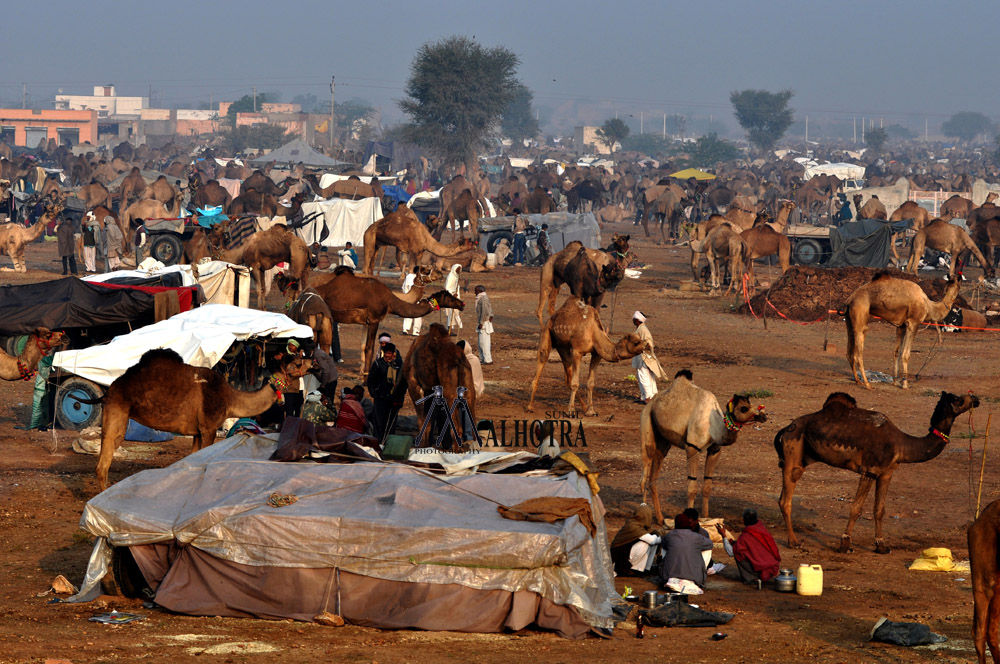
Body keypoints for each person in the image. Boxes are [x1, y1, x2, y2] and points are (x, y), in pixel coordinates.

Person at [716, 508, 781, 587]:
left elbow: (731, 552)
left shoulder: (745, 537)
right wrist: (734, 543)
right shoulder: (762, 529)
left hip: (762, 569)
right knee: (739, 549)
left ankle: (751, 579)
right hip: (773, 567)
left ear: (743, 521)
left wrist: (724, 536)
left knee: (738, 554)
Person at [659, 512, 714, 595]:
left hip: (669, 575)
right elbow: (710, 544)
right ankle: (699, 572)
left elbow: (664, 544)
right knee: (707, 549)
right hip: (694, 576)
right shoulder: (697, 537)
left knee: (666, 548)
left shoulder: (669, 536)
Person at [609, 504, 662, 576]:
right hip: (619, 558)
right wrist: (665, 538)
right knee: (646, 543)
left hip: (627, 553)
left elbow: (653, 536)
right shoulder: (633, 526)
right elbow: (652, 540)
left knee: (653, 542)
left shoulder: (640, 525)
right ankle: (632, 569)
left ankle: (646, 569)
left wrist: (658, 536)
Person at [366, 342, 403, 441]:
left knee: (391, 422)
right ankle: (377, 441)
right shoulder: (378, 364)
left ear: (393, 353)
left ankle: (388, 442)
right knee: (378, 421)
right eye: (386, 353)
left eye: (389, 353)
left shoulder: (398, 365)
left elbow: (402, 383)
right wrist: (374, 393)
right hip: (380, 397)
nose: (387, 355)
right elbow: (371, 380)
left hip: (393, 398)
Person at [631, 311, 663, 404]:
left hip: (644, 357)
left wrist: (643, 347)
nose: (633, 320)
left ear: (637, 320)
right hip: (642, 356)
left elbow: (649, 343)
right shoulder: (640, 329)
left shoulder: (643, 329)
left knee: (643, 376)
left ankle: (648, 398)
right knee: (647, 376)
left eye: (634, 319)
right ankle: (647, 396)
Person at [402, 266, 424, 336]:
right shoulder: (416, 278)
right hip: (413, 298)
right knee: (417, 314)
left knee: (409, 313)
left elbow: (403, 287)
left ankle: (406, 329)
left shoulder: (409, 277)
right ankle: (415, 331)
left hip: (410, 298)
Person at [475, 285, 493, 365]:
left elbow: (485, 312)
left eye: (476, 290)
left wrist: (481, 322)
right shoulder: (481, 298)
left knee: (484, 343)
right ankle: (482, 359)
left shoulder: (483, 299)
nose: (475, 292)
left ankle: (487, 360)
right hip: (483, 322)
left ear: (480, 291)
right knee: (481, 343)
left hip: (484, 323)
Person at [444, 263, 463, 335]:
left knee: (455, 312)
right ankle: (449, 329)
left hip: (455, 297)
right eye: (458, 269)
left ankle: (451, 328)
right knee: (450, 313)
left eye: (459, 269)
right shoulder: (451, 277)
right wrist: (452, 294)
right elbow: (447, 287)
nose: (459, 271)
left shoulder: (456, 276)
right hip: (450, 297)